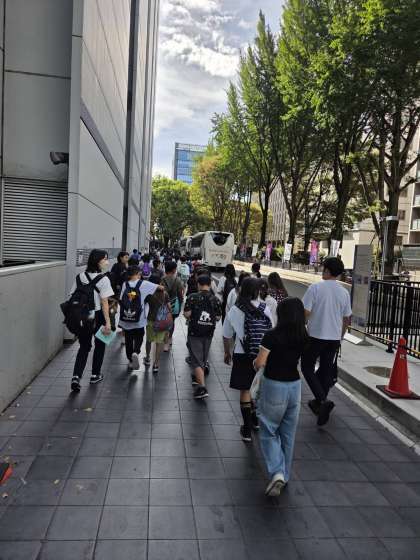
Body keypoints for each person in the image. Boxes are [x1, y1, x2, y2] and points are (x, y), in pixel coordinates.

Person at [254, 297, 308, 497]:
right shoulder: (304, 336)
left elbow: (260, 363)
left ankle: (277, 472)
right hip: (295, 386)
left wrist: (255, 363)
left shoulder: (271, 335)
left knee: (268, 430)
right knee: (288, 434)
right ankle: (284, 475)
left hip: (274, 385)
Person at [301, 257, 352, 426]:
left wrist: (303, 328)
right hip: (334, 338)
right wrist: (341, 336)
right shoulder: (344, 292)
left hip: (316, 336)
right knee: (325, 369)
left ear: (328, 271)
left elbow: (305, 313)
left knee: (306, 367)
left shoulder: (315, 288)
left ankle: (322, 401)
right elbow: (346, 318)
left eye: (323, 268)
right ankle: (318, 402)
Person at [223, 277, 273, 442]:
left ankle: (246, 429)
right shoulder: (265, 309)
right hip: (262, 354)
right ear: (257, 291)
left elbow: (226, 334)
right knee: (257, 388)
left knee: (245, 390)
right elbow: (272, 332)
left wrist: (227, 352)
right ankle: (255, 421)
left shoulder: (236, 309)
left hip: (242, 353)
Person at [70, 249, 114, 392]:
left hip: (83, 317)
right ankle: (95, 375)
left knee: (84, 346)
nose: (107, 262)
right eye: (105, 259)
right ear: (97, 261)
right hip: (98, 315)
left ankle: (76, 376)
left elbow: (72, 296)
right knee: (100, 345)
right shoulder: (104, 279)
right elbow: (104, 303)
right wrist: (108, 322)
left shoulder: (80, 276)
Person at [184, 275, 221, 399]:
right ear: (210, 285)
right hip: (208, 332)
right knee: (203, 358)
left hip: (194, 332)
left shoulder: (192, 297)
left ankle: (202, 388)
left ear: (198, 284)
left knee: (196, 359)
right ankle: (197, 378)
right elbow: (218, 317)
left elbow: (187, 314)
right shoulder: (215, 299)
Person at [118, 265, 163, 370]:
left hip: (126, 318)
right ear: (138, 274)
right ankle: (136, 351)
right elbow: (160, 288)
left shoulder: (125, 284)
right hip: (139, 318)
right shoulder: (144, 283)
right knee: (139, 336)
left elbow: (121, 299)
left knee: (128, 339)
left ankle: (130, 360)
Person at [145, 289, 172, 374]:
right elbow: (169, 307)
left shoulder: (149, 292)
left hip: (151, 320)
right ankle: (156, 364)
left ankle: (147, 358)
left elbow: (144, 305)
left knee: (149, 340)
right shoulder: (165, 293)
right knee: (159, 343)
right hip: (161, 322)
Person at [162, 261, 184, 350]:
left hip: (163, 304)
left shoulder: (162, 279)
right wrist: (181, 304)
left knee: (163, 321)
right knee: (172, 322)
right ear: (174, 270)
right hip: (174, 305)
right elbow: (180, 294)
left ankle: (165, 341)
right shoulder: (178, 280)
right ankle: (169, 339)